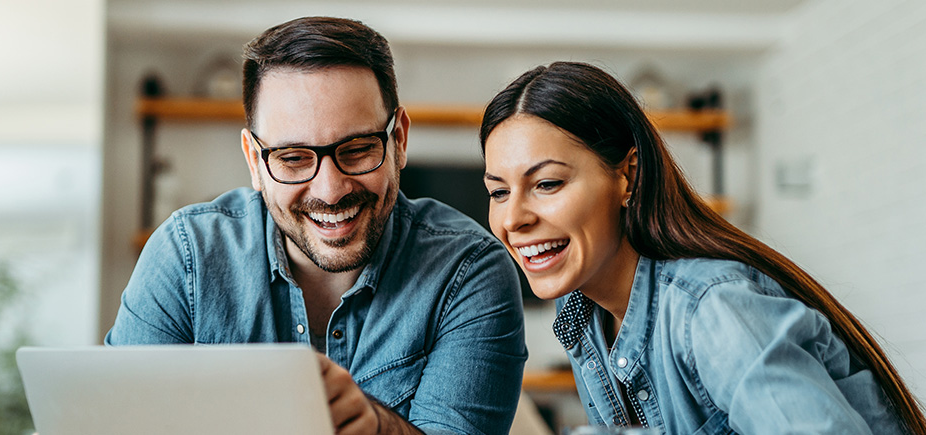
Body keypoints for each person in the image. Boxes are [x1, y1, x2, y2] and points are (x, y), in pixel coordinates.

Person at [107, 16, 528, 435]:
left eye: (358, 149)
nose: (330, 190)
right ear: (255, 161)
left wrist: (376, 427)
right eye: (293, 159)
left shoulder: (469, 272)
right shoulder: (185, 256)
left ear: (398, 139)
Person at [479, 61, 926, 434]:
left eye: (547, 183)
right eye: (498, 192)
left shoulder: (713, 309)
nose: (513, 218)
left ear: (628, 176)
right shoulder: (581, 312)